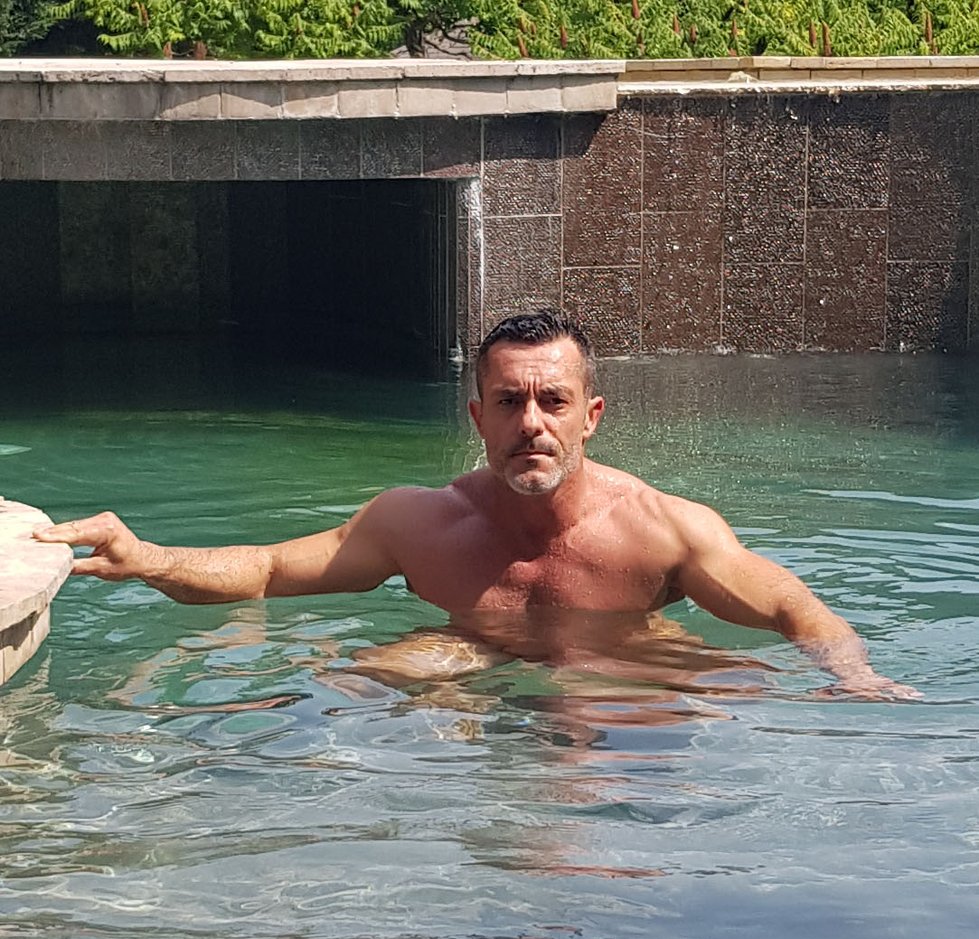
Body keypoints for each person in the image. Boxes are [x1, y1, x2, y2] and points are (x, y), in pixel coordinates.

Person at [34, 310, 917, 700]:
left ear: (590, 416)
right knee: (338, 688)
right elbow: (267, 570)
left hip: (623, 672)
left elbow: (793, 608)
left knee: (633, 738)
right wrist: (149, 559)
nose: (531, 423)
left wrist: (853, 676)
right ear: (477, 417)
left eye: (553, 402)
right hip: (466, 652)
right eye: (508, 402)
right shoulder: (418, 523)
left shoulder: (663, 530)